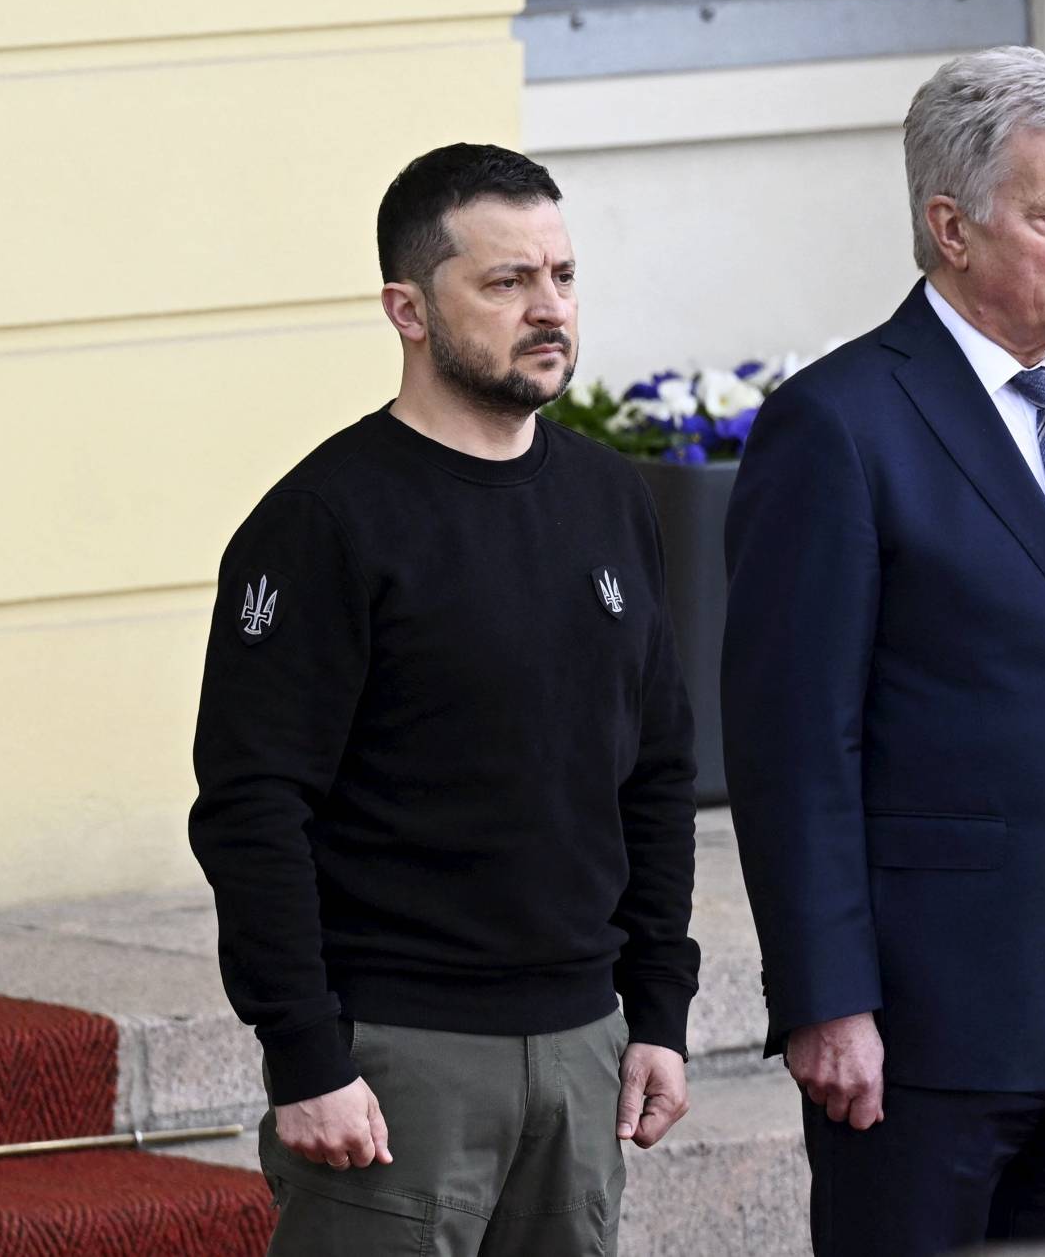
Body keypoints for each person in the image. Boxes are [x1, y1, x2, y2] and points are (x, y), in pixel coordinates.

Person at [722, 47, 1045, 1255]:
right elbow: (794, 745)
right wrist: (825, 997)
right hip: (926, 1027)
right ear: (950, 227)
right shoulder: (837, 425)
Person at [188, 143, 700, 1256]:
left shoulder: (610, 499)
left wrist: (656, 1009)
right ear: (406, 309)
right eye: (506, 282)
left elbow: (656, 772)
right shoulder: (322, 523)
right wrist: (307, 1057)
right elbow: (252, 809)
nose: (548, 308)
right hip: (400, 1064)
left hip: (583, 1050)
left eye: (561, 276)